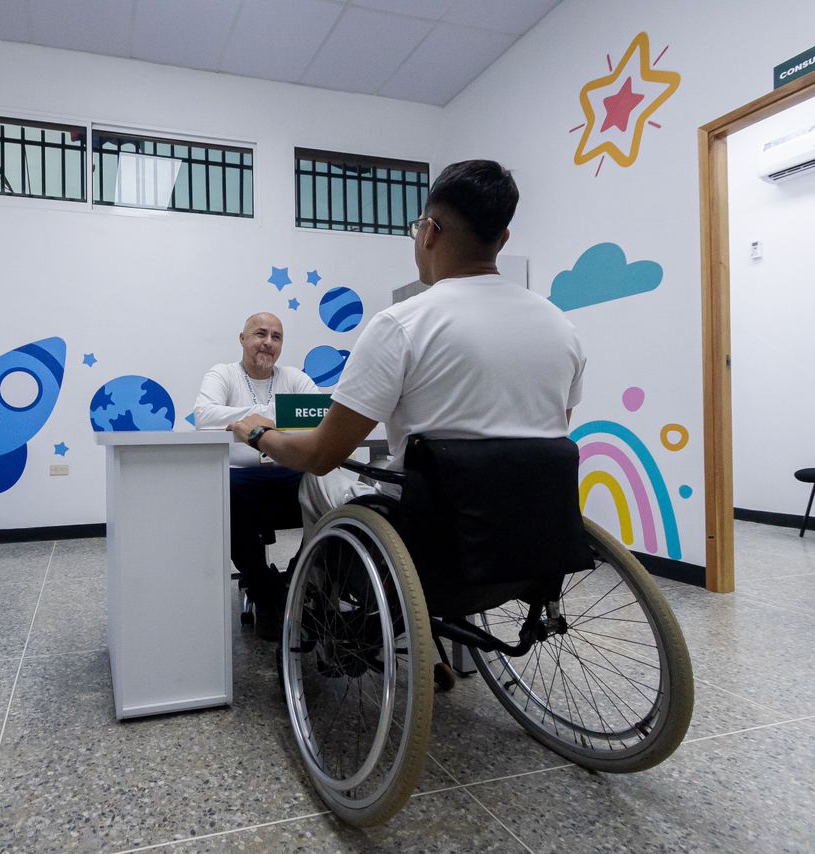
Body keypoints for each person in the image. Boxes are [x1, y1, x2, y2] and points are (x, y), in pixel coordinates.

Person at [229, 159, 586, 539]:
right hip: (533, 526)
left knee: (322, 480)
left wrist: (258, 434)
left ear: (429, 232)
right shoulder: (562, 328)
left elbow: (320, 455)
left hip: (432, 530)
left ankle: (319, 575)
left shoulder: (401, 324)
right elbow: (548, 434)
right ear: (503, 239)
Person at [194, 312, 320, 639]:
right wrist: (276, 418)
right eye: (260, 334)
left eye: (276, 337)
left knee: (327, 484)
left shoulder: (294, 378)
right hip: (240, 477)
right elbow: (204, 416)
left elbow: (320, 414)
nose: (268, 342)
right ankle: (265, 590)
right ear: (243, 339)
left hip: (288, 472)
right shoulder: (222, 374)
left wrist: (249, 422)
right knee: (225, 492)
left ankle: (295, 577)